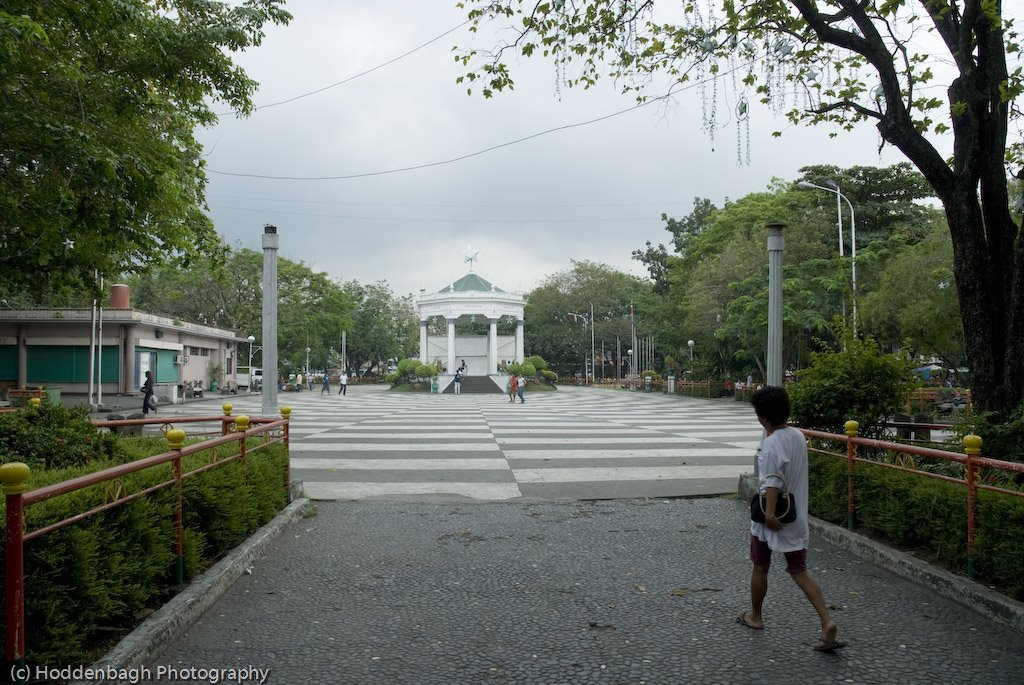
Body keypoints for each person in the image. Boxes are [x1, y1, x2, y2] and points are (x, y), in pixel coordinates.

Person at [737, 385, 846, 653]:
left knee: (760, 565)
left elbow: (772, 483)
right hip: (796, 516)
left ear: (761, 416)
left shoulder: (772, 443)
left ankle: (756, 617)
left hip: (771, 516)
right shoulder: (797, 436)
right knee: (799, 571)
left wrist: (770, 516)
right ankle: (826, 620)